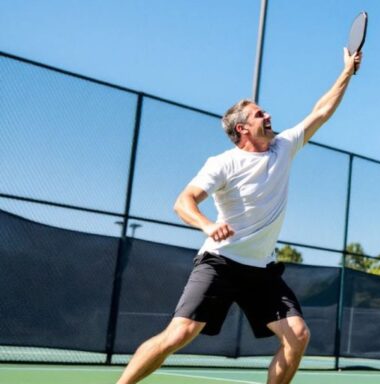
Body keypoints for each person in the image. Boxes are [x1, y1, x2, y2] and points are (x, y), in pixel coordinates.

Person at [116, 47, 362, 384]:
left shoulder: (284, 146)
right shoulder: (223, 163)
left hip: (261, 271)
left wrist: (346, 72)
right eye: (260, 114)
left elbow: (321, 110)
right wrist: (207, 224)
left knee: (298, 336)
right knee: (179, 333)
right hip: (220, 263)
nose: (268, 116)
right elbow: (183, 201)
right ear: (243, 129)